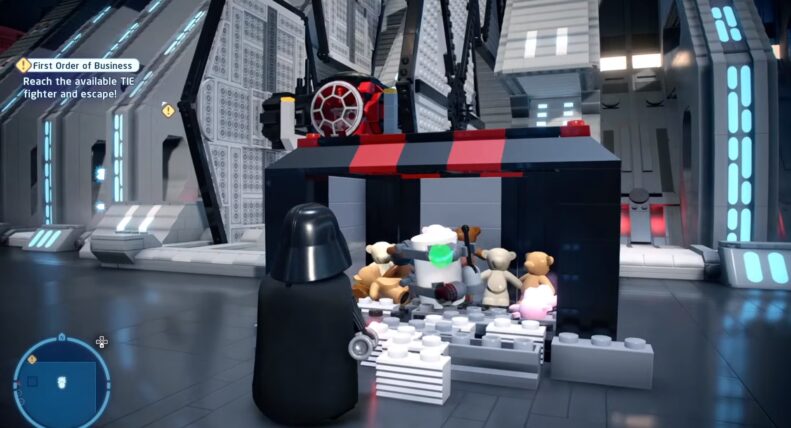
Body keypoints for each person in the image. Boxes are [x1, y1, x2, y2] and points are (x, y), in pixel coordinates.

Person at [253, 203, 363, 425]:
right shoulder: (336, 289)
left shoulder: (267, 286)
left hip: (269, 401)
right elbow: (358, 329)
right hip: (327, 402)